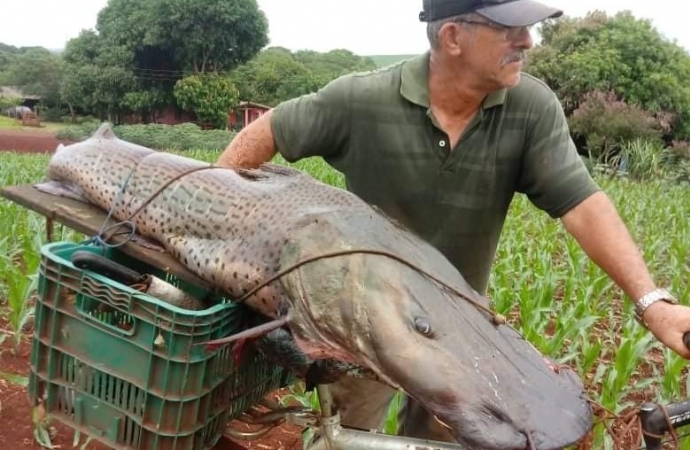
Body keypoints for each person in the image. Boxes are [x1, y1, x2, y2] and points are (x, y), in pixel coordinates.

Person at [217, 0, 690, 442]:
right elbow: (269, 130)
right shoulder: (363, 99)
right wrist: (222, 207)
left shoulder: (530, 109)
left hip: (457, 330)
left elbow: (583, 204)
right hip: (363, 322)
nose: (527, 40)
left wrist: (652, 302)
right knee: (348, 437)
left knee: (446, 440)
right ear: (452, 36)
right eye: (510, 28)